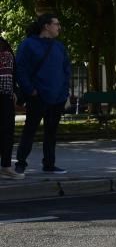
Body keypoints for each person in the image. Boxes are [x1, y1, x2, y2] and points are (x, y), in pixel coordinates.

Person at [14, 14, 71, 175]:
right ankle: (20, 164)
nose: (59, 27)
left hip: (57, 98)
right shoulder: (28, 44)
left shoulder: (59, 47)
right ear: (46, 26)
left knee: (51, 133)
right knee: (29, 131)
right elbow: (21, 69)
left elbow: (66, 70)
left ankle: (49, 164)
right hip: (37, 97)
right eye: (56, 24)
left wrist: (64, 91)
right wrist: (30, 89)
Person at [0, 34, 23, 180]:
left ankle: (6, 167)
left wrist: (15, 90)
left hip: (6, 95)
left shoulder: (4, 44)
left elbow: (13, 69)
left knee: (7, 132)